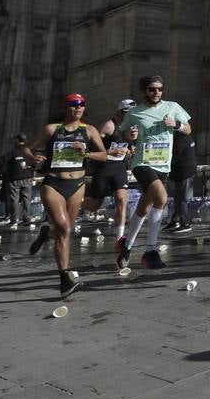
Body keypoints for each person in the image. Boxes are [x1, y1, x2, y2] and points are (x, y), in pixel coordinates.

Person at [24, 93, 108, 298]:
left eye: (81, 105)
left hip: (77, 184)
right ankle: (65, 277)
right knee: (64, 228)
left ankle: (46, 234)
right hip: (53, 183)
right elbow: (25, 148)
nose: (78, 108)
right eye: (73, 104)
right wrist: (33, 158)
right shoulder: (52, 129)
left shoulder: (89, 130)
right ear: (65, 107)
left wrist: (86, 153)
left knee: (65, 232)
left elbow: (105, 155)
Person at [116, 74, 193, 271]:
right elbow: (123, 131)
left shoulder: (173, 107)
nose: (156, 92)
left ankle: (127, 245)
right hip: (142, 163)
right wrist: (129, 135)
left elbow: (188, 129)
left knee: (144, 205)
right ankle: (151, 250)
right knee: (161, 198)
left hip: (163, 165)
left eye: (159, 89)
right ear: (144, 91)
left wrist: (175, 125)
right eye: (152, 89)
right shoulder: (135, 112)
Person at [83, 99, 135, 251]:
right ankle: (76, 204)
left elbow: (128, 143)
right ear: (119, 112)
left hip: (119, 168)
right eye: (127, 113)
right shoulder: (109, 125)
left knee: (121, 199)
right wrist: (108, 152)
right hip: (104, 167)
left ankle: (120, 238)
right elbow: (93, 144)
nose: (129, 116)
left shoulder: (132, 126)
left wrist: (132, 147)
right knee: (94, 206)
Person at [165, 114, 197, 234]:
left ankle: (185, 222)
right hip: (184, 170)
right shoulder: (186, 137)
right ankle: (175, 220)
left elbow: (173, 155)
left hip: (183, 171)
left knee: (181, 198)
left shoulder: (180, 139)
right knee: (178, 197)